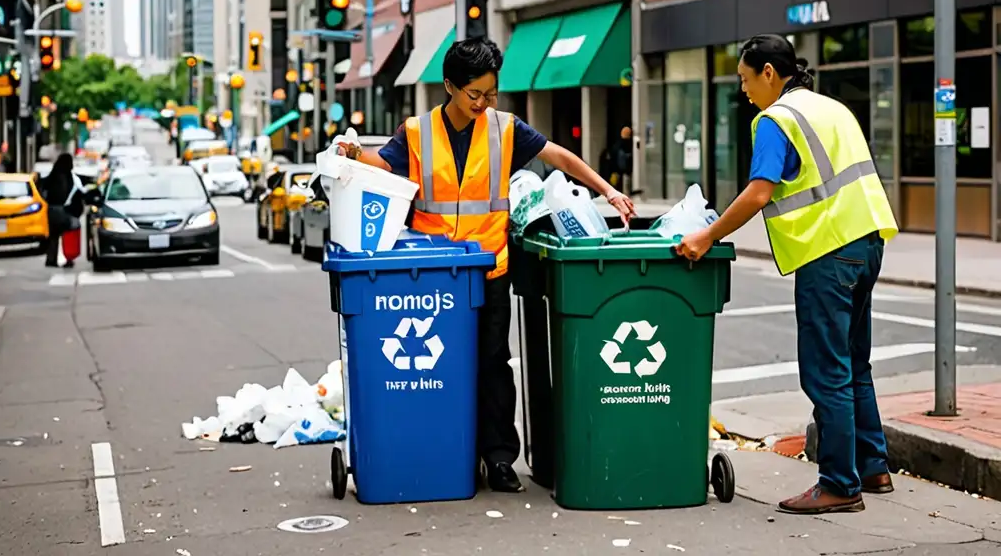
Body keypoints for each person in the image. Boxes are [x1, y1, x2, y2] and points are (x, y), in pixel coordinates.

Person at [339, 35, 636, 493]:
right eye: (475, 93)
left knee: (493, 364)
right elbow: (386, 163)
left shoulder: (504, 128)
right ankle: (447, 450)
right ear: (450, 87)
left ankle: (498, 458)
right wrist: (354, 153)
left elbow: (556, 154)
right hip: (435, 275)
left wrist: (606, 189)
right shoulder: (417, 132)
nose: (483, 102)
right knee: (439, 367)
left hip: (489, 269)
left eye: (490, 93)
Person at [676, 34, 898, 515]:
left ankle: (840, 483)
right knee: (855, 361)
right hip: (869, 241)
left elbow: (759, 193)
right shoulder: (830, 108)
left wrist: (705, 236)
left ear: (769, 74)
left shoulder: (775, 120)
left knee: (827, 372)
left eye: (745, 79)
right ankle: (873, 465)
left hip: (828, 251)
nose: (743, 90)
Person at [38, 153, 85, 268]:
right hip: (64, 210)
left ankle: (51, 259)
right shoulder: (69, 177)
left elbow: (43, 188)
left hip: (51, 210)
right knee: (68, 234)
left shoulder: (53, 175)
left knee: (53, 236)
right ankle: (69, 258)